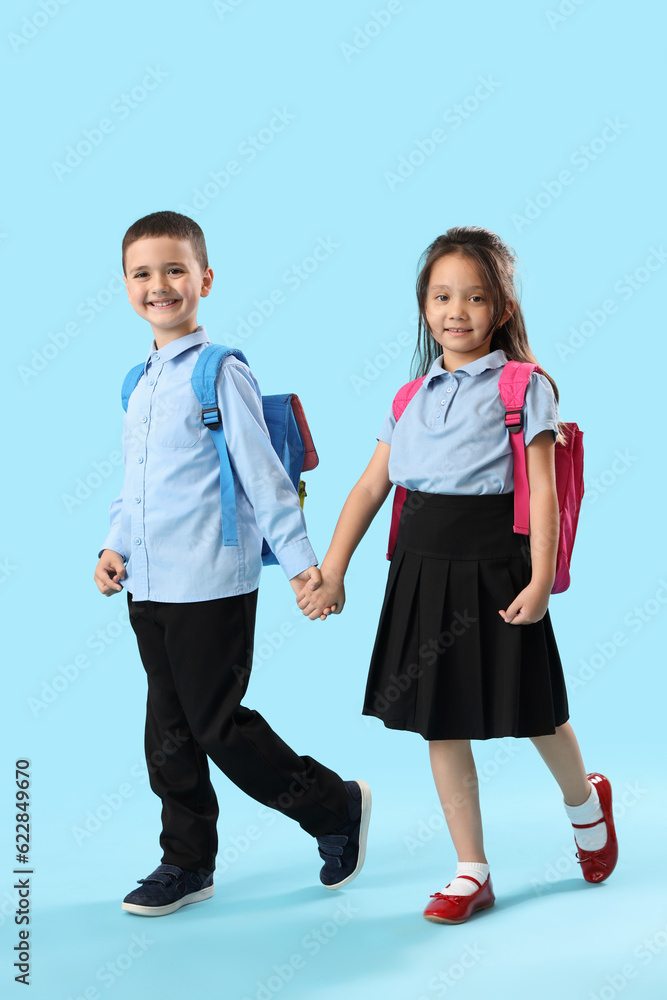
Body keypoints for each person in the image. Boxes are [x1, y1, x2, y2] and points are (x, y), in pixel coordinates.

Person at [297, 226, 617, 924]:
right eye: (441, 295)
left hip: (498, 567)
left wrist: (537, 583)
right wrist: (332, 570)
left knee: (535, 711)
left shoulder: (522, 385)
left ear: (500, 308)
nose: (456, 310)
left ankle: (585, 804)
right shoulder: (409, 395)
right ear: (422, 305)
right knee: (440, 722)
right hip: (420, 568)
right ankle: (471, 870)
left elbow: (540, 492)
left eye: (475, 297)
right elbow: (368, 487)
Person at [93, 210, 371, 917]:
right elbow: (134, 483)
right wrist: (113, 546)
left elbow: (263, 477)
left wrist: (306, 566)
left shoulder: (221, 372)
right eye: (143, 273)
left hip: (211, 581)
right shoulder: (137, 382)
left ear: (205, 279)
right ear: (126, 285)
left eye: (175, 269)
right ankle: (186, 862)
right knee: (168, 729)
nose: (160, 285)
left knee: (218, 725)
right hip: (149, 583)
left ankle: (331, 806)